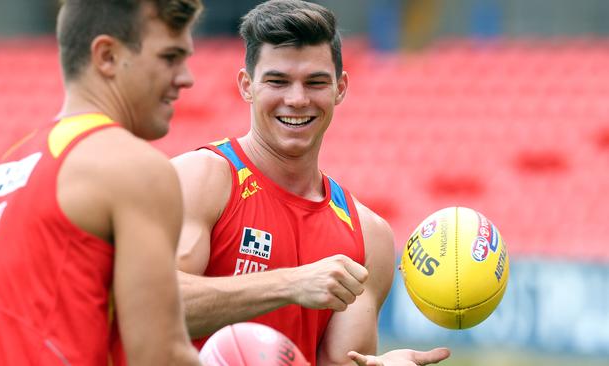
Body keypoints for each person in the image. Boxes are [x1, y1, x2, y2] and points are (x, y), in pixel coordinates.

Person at [171, 1, 450, 365]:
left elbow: (342, 362)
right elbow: (149, 306)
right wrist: (290, 284)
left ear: (340, 88)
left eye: (315, 82)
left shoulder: (367, 237)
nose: (297, 99)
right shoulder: (199, 179)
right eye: (278, 81)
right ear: (246, 85)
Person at [0, 0, 203, 365]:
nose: (186, 77)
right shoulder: (132, 167)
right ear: (106, 56)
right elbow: (158, 356)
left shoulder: (2, 170)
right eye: (170, 57)